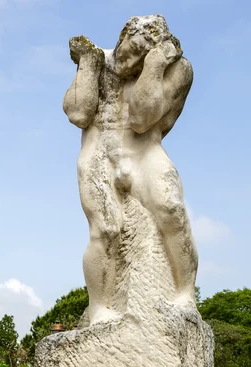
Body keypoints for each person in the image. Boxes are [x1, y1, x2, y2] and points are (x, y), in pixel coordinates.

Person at [63, 15, 197, 326]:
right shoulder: (100, 58)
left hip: (143, 151)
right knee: (105, 230)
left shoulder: (178, 69)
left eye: (139, 55)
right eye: (126, 48)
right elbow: (78, 112)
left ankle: (185, 294)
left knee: (171, 209)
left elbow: (141, 119)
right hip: (99, 153)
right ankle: (99, 307)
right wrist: (87, 63)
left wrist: (154, 66)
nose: (126, 59)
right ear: (122, 36)